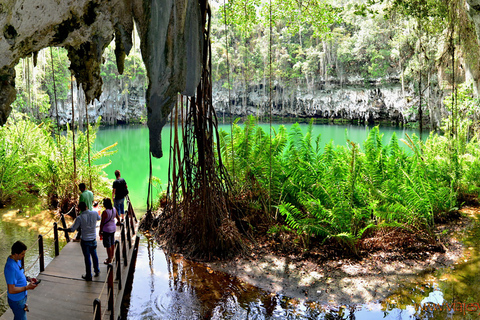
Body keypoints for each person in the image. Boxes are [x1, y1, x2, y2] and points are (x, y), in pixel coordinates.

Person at [59, 201, 101, 281]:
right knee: (94, 255)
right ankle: (97, 270)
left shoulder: (80, 218)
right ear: (86, 206)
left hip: (85, 240)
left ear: (79, 209)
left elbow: (72, 229)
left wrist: (62, 229)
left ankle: (89, 275)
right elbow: (99, 218)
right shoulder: (94, 213)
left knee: (87, 257)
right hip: (93, 239)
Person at [4, 241, 38, 320]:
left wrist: (28, 279)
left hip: (21, 298)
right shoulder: (10, 268)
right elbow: (11, 290)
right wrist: (27, 287)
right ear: (16, 254)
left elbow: (20, 274)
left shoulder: (17, 260)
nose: (24, 256)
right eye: (22, 254)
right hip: (17, 300)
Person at [99, 198, 120, 264]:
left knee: (108, 244)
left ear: (105, 205)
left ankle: (109, 259)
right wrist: (119, 222)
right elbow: (118, 218)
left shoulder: (105, 212)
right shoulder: (114, 209)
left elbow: (102, 223)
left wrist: (100, 231)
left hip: (106, 230)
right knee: (112, 242)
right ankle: (112, 256)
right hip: (113, 228)